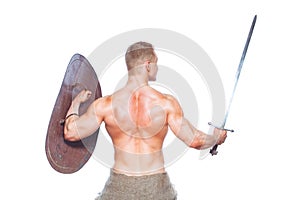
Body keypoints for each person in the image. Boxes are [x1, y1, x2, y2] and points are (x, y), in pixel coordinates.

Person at [64, 41, 227, 200]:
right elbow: (195, 140)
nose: (157, 67)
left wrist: (76, 102)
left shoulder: (105, 105)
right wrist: (215, 138)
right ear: (147, 64)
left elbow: (71, 132)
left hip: (119, 188)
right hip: (157, 188)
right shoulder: (165, 103)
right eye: (156, 63)